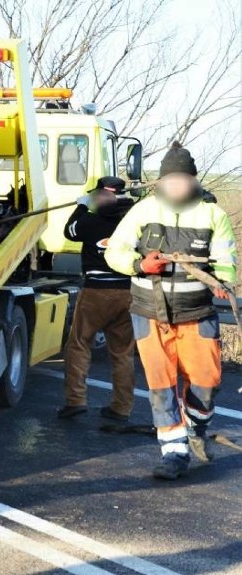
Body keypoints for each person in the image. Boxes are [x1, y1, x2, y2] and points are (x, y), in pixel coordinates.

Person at [105, 142, 237, 480]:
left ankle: (196, 427)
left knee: (207, 381)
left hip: (197, 312)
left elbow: (226, 260)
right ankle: (174, 453)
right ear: (160, 182)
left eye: (183, 179)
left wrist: (222, 280)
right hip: (149, 312)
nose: (176, 185)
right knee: (161, 386)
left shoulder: (213, 215)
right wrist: (138, 264)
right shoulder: (142, 211)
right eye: (170, 180)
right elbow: (114, 252)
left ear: (193, 181)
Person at [57, 176, 136, 421]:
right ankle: (121, 407)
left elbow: (69, 232)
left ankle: (76, 400)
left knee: (79, 344)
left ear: (101, 194)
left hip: (96, 292)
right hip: (127, 291)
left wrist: (81, 205)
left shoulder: (90, 220)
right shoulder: (133, 221)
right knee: (123, 352)